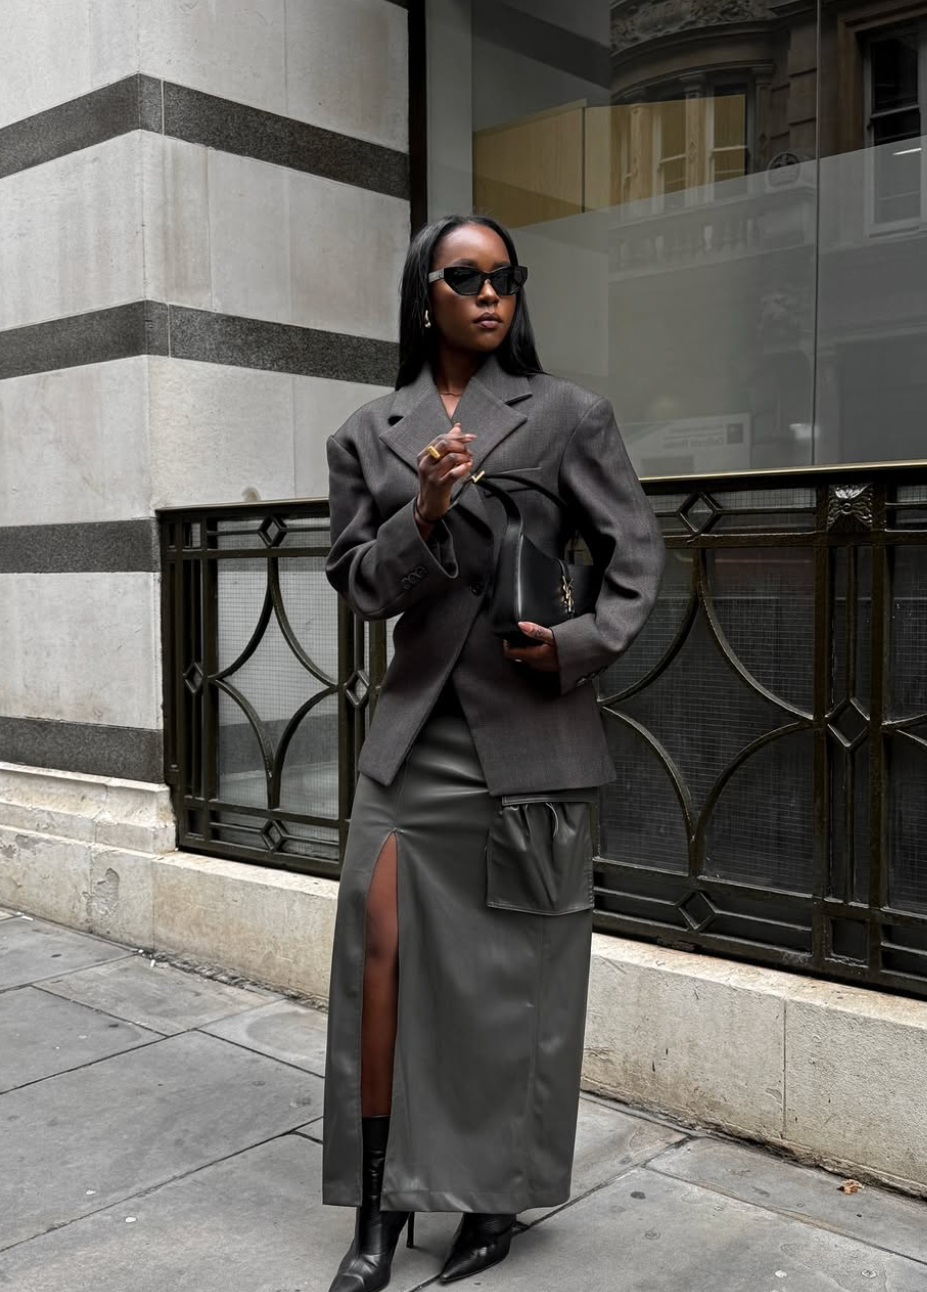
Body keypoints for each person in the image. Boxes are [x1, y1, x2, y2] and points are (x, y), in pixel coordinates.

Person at [321, 214, 666, 1291]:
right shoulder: (369, 431)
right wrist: (422, 515)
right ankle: (378, 1210)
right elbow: (359, 586)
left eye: (503, 278)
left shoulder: (569, 415)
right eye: (462, 277)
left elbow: (635, 558)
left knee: (513, 984)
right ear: (425, 293)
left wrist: (572, 646)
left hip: (532, 740)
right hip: (413, 743)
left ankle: (491, 1198)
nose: (487, 294)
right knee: (376, 970)